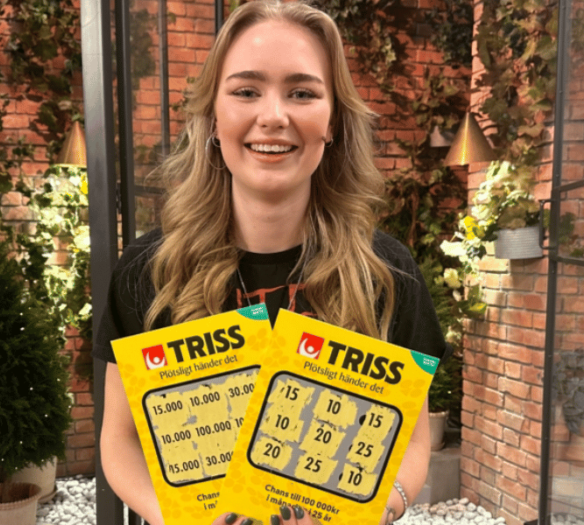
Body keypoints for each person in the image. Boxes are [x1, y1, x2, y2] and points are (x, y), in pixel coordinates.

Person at [87, 2, 449, 524]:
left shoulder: (386, 272)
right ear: (214, 118)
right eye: (246, 91)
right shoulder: (150, 269)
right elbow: (119, 440)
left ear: (333, 121)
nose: (274, 116)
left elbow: (411, 440)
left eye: (302, 93)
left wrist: (373, 510)